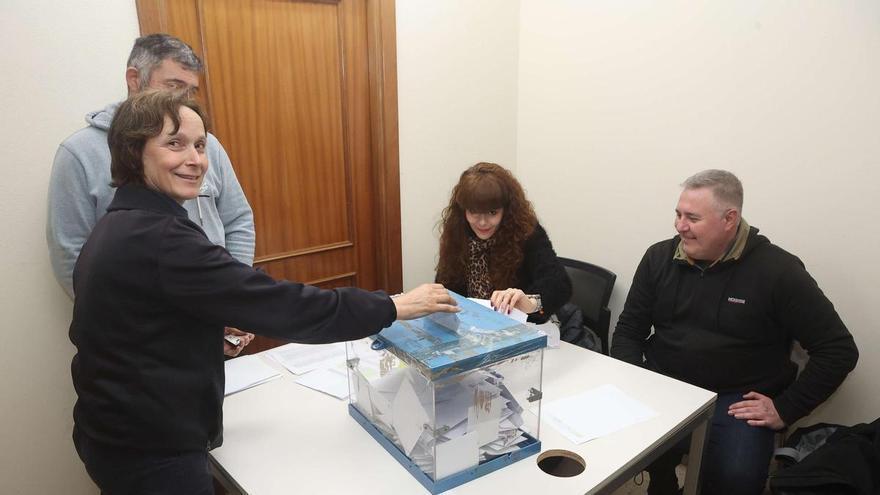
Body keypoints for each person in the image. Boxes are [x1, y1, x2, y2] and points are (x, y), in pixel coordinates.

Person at [69, 90, 458, 495]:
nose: (196, 159)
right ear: (134, 153)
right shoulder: (162, 237)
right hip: (151, 449)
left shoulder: (117, 224)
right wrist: (391, 305)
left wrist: (201, 337)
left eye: (200, 145)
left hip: (110, 432)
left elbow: (135, 327)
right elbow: (285, 305)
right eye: (174, 143)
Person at [610, 169, 859, 495]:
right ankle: (663, 481)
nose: (679, 225)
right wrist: (638, 380)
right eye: (678, 214)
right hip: (665, 385)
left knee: (736, 478)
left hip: (735, 400)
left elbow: (838, 350)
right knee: (623, 444)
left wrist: (786, 408)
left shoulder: (777, 271)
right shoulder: (659, 257)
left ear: (730, 219)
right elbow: (630, 329)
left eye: (692, 218)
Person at [46, 33, 255, 356]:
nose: (183, 100)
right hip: (140, 341)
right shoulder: (80, 153)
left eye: (191, 90)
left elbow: (237, 219)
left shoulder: (207, 146)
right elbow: (70, 253)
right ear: (134, 79)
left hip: (213, 324)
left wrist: (230, 299)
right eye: (173, 86)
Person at [435, 162, 571, 323]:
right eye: (474, 212)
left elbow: (559, 285)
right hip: (472, 328)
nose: (483, 222)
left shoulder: (527, 232)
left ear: (506, 209)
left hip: (523, 326)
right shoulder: (458, 232)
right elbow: (446, 286)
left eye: (492, 212)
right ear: (463, 209)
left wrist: (530, 304)